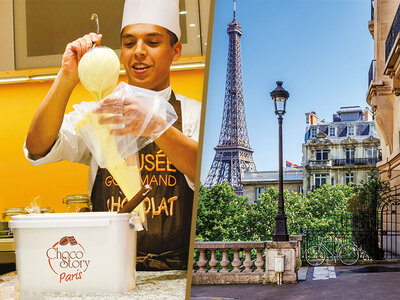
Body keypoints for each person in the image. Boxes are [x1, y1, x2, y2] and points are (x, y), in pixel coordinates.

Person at [24, 0, 201, 270]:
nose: (139, 52)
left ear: (175, 51)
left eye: (152, 42)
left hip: (177, 274)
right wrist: (67, 76)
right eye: (129, 44)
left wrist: (155, 126)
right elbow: (38, 146)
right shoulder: (99, 114)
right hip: (110, 270)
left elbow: (205, 173)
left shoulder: (193, 114)